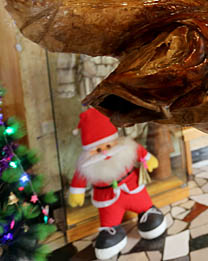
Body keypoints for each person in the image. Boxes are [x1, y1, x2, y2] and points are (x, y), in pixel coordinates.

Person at [68, 107, 167, 259]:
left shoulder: (127, 146)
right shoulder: (87, 165)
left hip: (134, 190)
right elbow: (79, 177)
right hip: (107, 200)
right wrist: (77, 192)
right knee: (109, 223)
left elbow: (139, 152)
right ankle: (111, 233)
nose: (105, 152)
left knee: (146, 208)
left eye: (108, 146)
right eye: (98, 149)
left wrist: (148, 159)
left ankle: (148, 215)